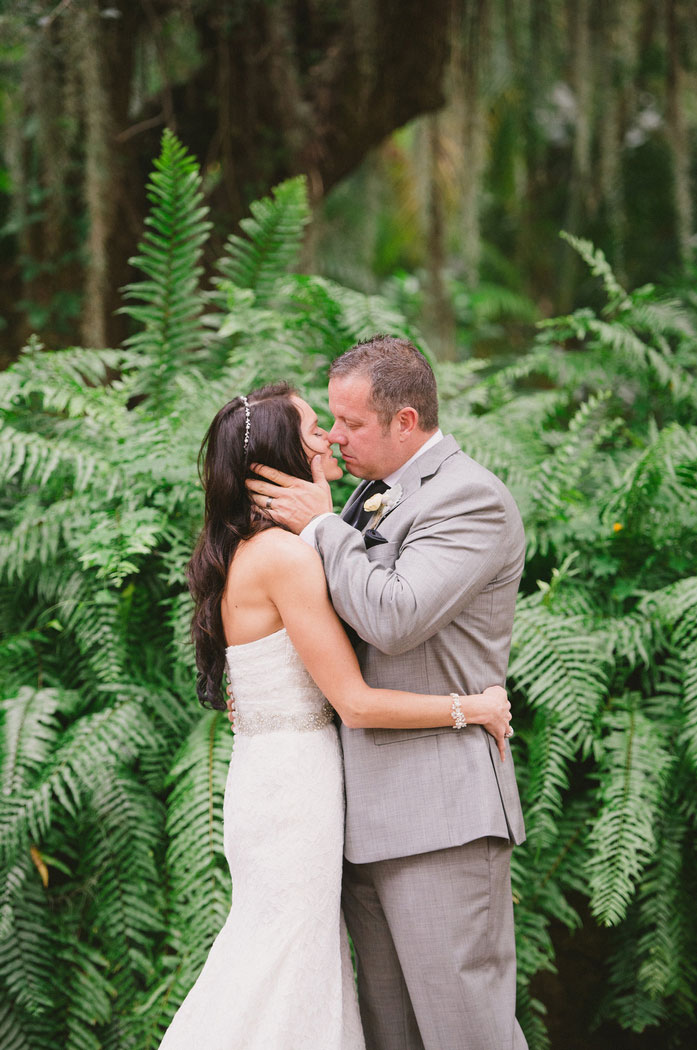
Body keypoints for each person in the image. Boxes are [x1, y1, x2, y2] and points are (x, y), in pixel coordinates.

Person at [158, 381, 513, 1050]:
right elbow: (353, 698)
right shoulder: (290, 555)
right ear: (280, 452)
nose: (329, 438)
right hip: (298, 791)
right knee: (283, 965)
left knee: (278, 959)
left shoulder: (250, 549)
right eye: (315, 426)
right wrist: (472, 706)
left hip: (272, 777)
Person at [245, 337, 528, 1050]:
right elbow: (334, 626)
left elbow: (395, 618)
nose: (335, 438)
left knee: (468, 1036)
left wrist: (317, 524)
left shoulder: (471, 499)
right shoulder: (368, 497)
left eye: (352, 424)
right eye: (331, 421)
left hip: (440, 820)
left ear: (406, 421)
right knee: (390, 1038)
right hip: (356, 817)